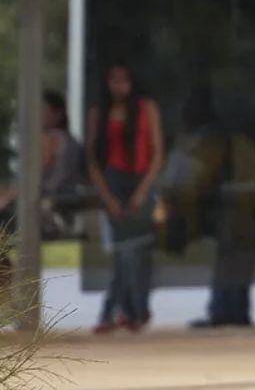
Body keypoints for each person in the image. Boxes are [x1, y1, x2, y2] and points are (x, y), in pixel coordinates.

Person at [86, 62, 164, 334]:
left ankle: (129, 310)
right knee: (124, 252)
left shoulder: (147, 109)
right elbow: (93, 160)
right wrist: (108, 198)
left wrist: (143, 191)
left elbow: (157, 153)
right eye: (113, 80)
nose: (118, 86)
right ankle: (123, 310)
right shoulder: (100, 112)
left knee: (139, 252)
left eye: (123, 80)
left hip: (141, 179)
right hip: (114, 181)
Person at [0, 90, 83, 236]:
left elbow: (34, 176)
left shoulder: (50, 138)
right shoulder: (72, 141)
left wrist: (10, 196)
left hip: (46, 205)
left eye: (42, 109)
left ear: (57, 114)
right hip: (64, 202)